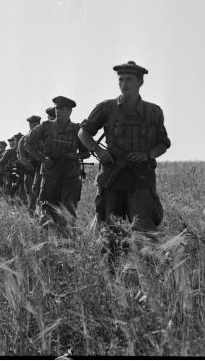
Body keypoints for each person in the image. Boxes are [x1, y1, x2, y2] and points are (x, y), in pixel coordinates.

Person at [78, 61, 170, 268]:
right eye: (120, 79)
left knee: (145, 232)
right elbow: (83, 133)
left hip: (142, 179)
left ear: (140, 82)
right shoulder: (106, 108)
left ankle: (148, 279)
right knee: (111, 232)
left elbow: (163, 143)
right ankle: (114, 280)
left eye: (129, 79)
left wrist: (147, 154)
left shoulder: (154, 112)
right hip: (113, 178)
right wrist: (99, 151)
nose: (124, 83)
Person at [25, 96, 90, 228]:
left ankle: (67, 242)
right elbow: (28, 144)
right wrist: (43, 159)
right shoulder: (46, 126)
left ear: (69, 111)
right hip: (50, 175)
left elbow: (86, 152)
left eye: (62, 108)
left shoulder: (77, 129)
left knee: (69, 212)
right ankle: (48, 242)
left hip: (70, 176)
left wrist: (76, 155)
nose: (58, 111)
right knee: (47, 209)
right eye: (57, 108)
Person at [18, 116, 42, 210]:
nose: (34, 127)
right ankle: (32, 217)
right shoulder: (24, 139)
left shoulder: (45, 138)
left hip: (45, 170)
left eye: (36, 125)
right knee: (32, 195)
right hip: (31, 171)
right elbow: (22, 158)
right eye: (32, 124)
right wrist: (31, 168)